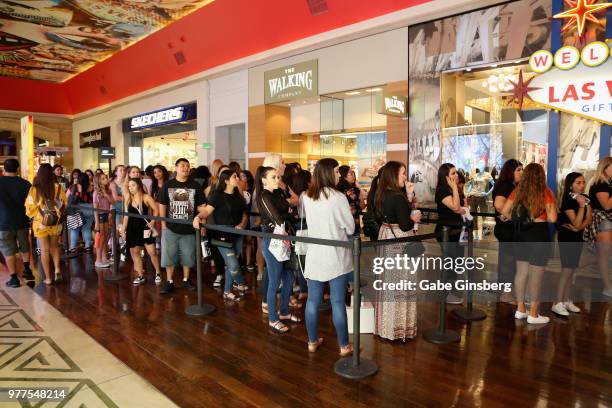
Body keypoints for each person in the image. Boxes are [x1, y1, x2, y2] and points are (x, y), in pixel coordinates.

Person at [303, 158, 354, 355]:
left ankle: (312, 341)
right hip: (336, 256)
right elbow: (349, 227)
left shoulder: (307, 196)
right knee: (337, 302)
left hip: (315, 254)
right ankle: (343, 345)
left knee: (313, 301)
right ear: (328, 173)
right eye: (336, 171)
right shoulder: (338, 197)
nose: (338, 174)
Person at [501, 163, 557, 325]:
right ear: (541, 176)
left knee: (521, 272)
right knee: (537, 275)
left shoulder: (517, 191)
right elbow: (553, 218)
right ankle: (533, 312)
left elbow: (505, 211)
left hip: (521, 233)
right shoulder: (545, 192)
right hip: (539, 233)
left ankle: (520, 309)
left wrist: (520, 220)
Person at [373, 161, 422, 341]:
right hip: (400, 242)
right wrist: (414, 216)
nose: (405, 177)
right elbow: (405, 224)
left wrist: (408, 196)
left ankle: (385, 326)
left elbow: (391, 214)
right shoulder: (397, 197)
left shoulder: (382, 193)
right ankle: (400, 328)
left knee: (388, 282)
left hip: (386, 236)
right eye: (403, 173)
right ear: (394, 175)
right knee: (402, 282)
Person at [256, 166, 301, 334]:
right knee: (275, 280)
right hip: (273, 240)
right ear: (264, 179)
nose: (278, 180)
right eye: (274, 177)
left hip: (285, 238)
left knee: (289, 276)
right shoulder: (264, 196)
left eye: (278, 176)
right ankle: (273, 318)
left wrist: (288, 211)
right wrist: (288, 212)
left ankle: (284, 312)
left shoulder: (276, 193)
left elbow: (290, 210)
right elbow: (278, 217)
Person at [193, 169, 248, 301]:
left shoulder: (238, 197)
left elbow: (245, 215)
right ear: (226, 180)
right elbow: (206, 211)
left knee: (231, 264)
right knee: (233, 264)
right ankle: (240, 282)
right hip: (222, 233)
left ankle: (227, 291)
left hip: (237, 233)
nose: (238, 179)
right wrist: (198, 217)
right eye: (235, 176)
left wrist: (241, 225)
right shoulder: (217, 196)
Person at [157, 158, 206, 294]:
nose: (186, 168)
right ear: (176, 168)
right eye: (183, 165)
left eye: (188, 166)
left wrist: (203, 225)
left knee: (188, 256)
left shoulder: (195, 185)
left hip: (190, 229)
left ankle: (185, 279)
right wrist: (163, 224)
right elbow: (162, 205)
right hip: (171, 228)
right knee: (169, 256)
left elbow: (202, 207)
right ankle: (169, 281)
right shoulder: (168, 185)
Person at [553, 172, 591, 317]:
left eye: (583, 182)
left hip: (577, 236)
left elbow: (588, 219)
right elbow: (575, 221)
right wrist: (581, 206)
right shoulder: (568, 200)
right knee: (567, 270)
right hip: (567, 238)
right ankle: (557, 302)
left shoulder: (586, 198)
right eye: (578, 183)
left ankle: (566, 300)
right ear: (571, 184)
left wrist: (578, 228)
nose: (582, 185)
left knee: (572, 271)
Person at [25, 163, 67, 284]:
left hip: (41, 223)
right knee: (55, 247)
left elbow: (29, 207)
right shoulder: (58, 187)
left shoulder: (34, 188)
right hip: (56, 222)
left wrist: (36, 212)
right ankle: (57, 269)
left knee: (44, 250)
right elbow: (64, 203)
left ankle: (48, 278)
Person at [492, 159, 523, 304]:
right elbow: (499, 205)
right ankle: (506, 294)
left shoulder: (513, 186)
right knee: (508, 262)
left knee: (510, 262)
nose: (521, 173)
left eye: (522, 169)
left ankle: (507, 292)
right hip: (506, 230)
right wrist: (512, 217)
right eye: (518, 170)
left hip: (510, 229)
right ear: (510, 172)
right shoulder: (505, 185)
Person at [435, 163, 466, 304]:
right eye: (453, 173)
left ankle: (451, 291)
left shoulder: (455, 189)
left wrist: (457, 191)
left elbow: (462, 207)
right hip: (446, 232)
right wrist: (454, 188)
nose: (456, 175)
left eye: (456, 172)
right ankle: (445, 294)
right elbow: (455, 207)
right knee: (450, 263)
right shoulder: (442, 190)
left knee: (458, 262)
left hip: (458, 231)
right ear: (446, 177)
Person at [0, 159, 34, 287]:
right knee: (24, 245)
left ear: (4, 169)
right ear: (18, 169)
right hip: (22, 221)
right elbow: (31, 203)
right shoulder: (25, 184)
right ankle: (27, 270)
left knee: (8, 250)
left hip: (3, 223)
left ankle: (14, 278)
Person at [122, 178, 162, 285]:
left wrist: (153, 221)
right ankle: (140, 275)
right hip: (132, 228)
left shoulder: (146, 197)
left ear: (139, 185)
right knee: (136, 253)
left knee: (152, 252)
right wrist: (123, 230)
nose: (131, 188)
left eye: (133, 185)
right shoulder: (128, 198)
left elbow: (156, 211)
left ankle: (158, 272)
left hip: (144, 227)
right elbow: (126, 216)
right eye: (129, 186)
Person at [584, 156, 612, 298]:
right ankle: (607, 287)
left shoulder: (608, 183)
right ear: (604, 168)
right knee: (603, 255)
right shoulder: (600, 183)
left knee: (603, 255)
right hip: (603, 221)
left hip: (607, 221)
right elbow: (606, 205)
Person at [66, 172, 95, 253]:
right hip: (89, 209)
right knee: (87, 229)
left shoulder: (73, 187)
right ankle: (88, 246)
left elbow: (67, 198)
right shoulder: (91, 187)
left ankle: (73, 248)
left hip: (77, 209)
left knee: (75, 229)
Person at [93, 172, 114, 268]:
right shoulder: (96, 193)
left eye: (106, 177)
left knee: (106, 236)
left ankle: (104, 257)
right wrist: (97, 222)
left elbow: (113, 201)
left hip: (106, 214)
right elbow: (95, 208)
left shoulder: (108, 190)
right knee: (101, 238)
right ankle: (98, 259)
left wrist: (106, 194)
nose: (106, 179)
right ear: (98, 181)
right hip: (100, 216)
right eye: (103, 178)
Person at [337, 165, 366, 236]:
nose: (354, 176)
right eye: (351, 174)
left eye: (353, 173)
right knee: (354, 244)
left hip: (340, 222)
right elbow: (362, 206)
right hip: (353, 221)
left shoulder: (336, 189)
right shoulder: (355, 190)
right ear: (344, 176)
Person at [466, 168, 493, 240]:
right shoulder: (477, 176)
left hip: (480, 197)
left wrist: (487, 194)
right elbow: (471, 185)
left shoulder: (486, 176)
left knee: (483, 214)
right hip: (475, 196)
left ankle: (483, 230)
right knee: (475, 214)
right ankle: (475, 231)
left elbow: (490, 186)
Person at [110, 165, 126, 231]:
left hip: (127, 207)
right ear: (116, 173)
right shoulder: (113, 183)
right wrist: (128, 198)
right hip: (117, 208)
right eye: (120, 170)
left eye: (124, 170)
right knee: (118, 227)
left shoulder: (127, 181)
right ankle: (116, 241)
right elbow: (115, 197)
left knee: (126, 227)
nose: (123, 172)